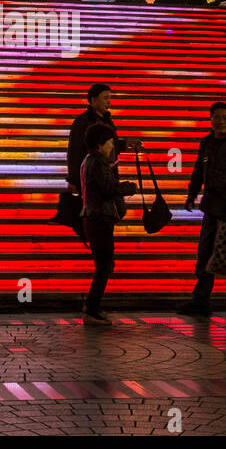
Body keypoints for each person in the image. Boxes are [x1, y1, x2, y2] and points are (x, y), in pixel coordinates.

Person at [179, 102, 226, 321]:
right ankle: (201, 300)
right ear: (210, 120)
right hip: (211, 207)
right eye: (217, 117)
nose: (221, 121)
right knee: (205, 253)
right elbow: (198, 171)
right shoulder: (206, 143)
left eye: (224, 117)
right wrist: (192, 194)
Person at [79, 122, 138, 327]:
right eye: (110, 143)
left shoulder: (90, 161)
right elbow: (108, 188)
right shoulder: (96, 163)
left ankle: (93, 307)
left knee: (104, 265)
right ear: (99, 144)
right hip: (99, 219)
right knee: (104, 266)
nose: (112, 147)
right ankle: (92, 310)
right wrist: (129, 187)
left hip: (96, 218)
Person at [66, 83, 143, 194]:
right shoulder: (82, 122)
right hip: (92, 177)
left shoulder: (107, 120)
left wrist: (125, 144)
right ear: (94, 100)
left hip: (108, 174)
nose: (109, 102)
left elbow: (110, 143)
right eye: (105, 98)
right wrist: (73, 180)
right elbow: (74, 152)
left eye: (109, 98)